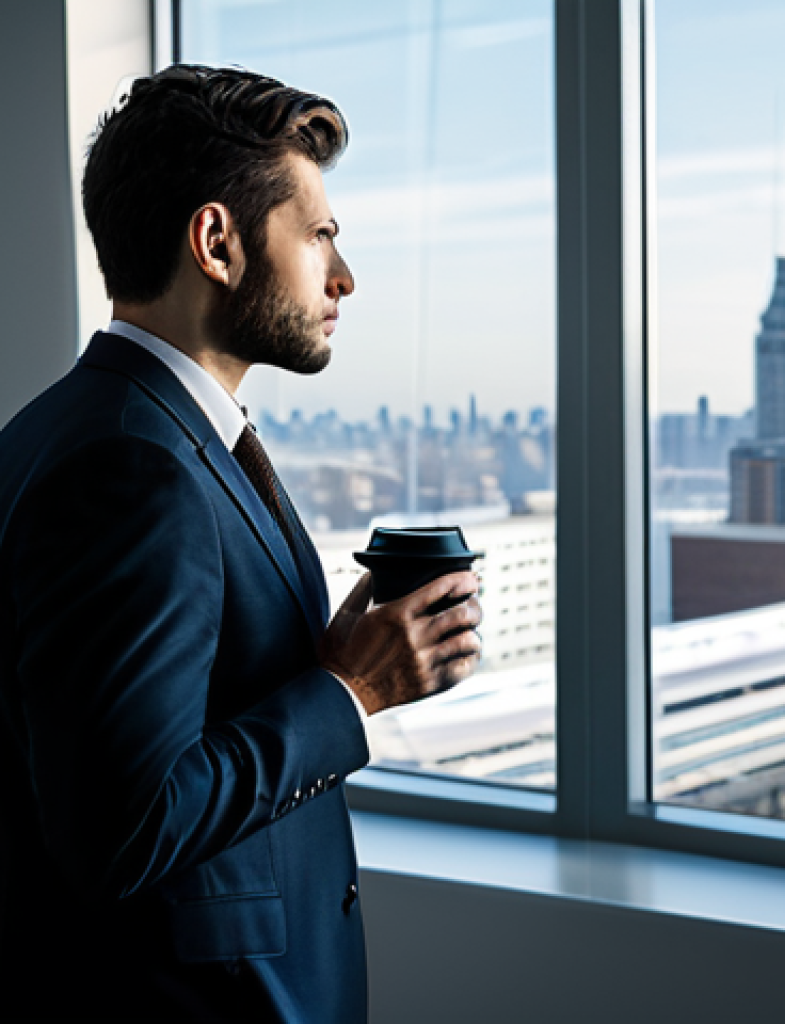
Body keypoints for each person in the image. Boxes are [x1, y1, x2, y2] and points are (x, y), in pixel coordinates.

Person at [0, 65, 482, 1022]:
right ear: (216, 242)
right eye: (320, 237)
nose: (344, 277)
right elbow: (123, 829)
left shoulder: (94, 428)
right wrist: (351, 693)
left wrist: (329, 654)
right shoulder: (133, 467)